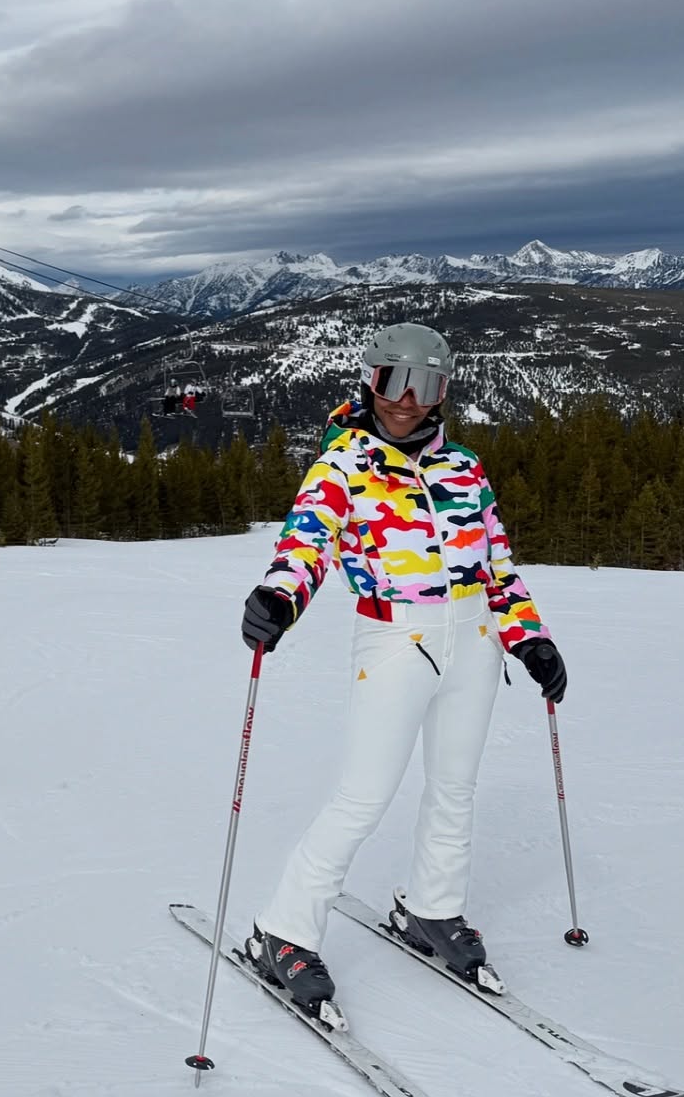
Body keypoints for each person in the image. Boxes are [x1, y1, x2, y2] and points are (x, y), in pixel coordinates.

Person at [238, 322, 566, 1019]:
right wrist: (279, 595)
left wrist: (529, 640)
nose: (407, 402)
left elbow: (497, 568)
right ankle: (283, 931)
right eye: (393, 382)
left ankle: (432, 910)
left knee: (455, 788)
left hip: (475, 639)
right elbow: (307, 542)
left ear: (443, 391)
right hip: (395, 639)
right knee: (363, 796)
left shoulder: (465, 467)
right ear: (370, 380)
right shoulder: (345, 463)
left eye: (425, 386)